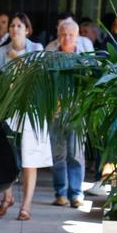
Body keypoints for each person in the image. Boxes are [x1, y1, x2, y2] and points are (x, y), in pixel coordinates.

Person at [0, 13, 52, 221]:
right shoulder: (0, 52)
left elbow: (40, 78)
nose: (15, 28)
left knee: (30, 158)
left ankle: (26, 205)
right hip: (8, 108)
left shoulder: (36, 49)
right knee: (5, 154)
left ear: (28, 29)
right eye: (12, 25)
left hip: (31, 108)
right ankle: (7, 197)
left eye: (19, 25)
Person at [45, 19, 87, 208]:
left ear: (77, 36)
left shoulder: (84, 58)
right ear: (58, 35)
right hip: (55, 111)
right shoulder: (51, 56)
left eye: (70, 34)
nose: (66, 37)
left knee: (76, 153)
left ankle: (76, 193)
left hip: (77, 111)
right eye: (63, 34)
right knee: (58, 154)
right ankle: (60, 193)